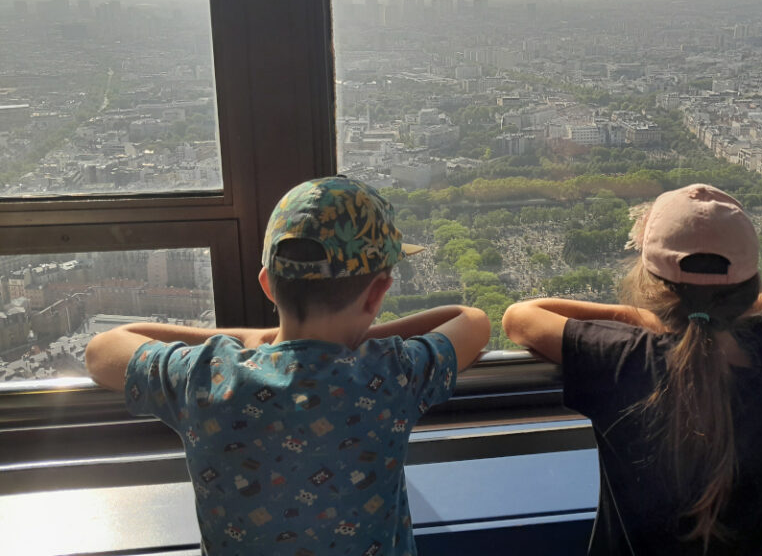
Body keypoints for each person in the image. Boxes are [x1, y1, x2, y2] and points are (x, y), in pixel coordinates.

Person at [86, 176, 490, 556]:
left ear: (267, 284)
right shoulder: (392, 372)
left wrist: (249, 339)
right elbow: (471, 320)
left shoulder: (206, 374)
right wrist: (363, 340)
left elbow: (104, 349)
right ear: (378, 292)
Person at [502, 183, 762, 555]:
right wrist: (715, 314)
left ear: (651, 286)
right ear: (747, 288)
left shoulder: (621, 357)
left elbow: (519, 317)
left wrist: (641, 318)